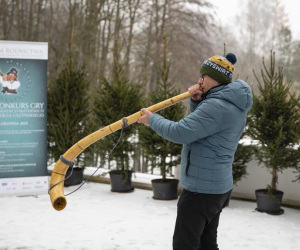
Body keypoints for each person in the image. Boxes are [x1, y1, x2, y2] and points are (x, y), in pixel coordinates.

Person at [137, 53, 253, 250]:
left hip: (201, 192)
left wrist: (152, 119)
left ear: (213, 78)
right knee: (206, 244)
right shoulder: (232, 104)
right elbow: (201, 129)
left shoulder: (216, 106)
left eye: (203, 76)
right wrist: (198, 101)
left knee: (185, 245)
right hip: (217, 187)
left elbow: (180, 132)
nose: (199, 81)